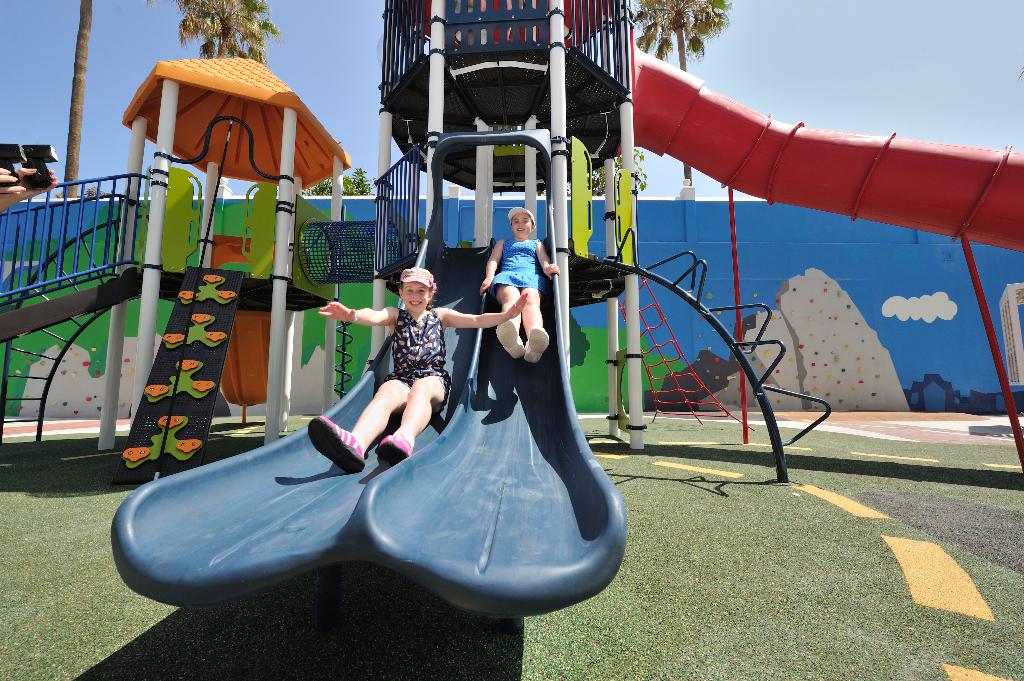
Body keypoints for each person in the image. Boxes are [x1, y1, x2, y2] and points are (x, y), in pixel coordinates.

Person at [309, 266, 528, 473]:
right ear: (402, 293)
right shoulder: (395, 315)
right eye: (410, 291)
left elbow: (476, 320)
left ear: (430, 294)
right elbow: (375, 317)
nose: (415, 296)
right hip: (402, 379)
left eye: (421, 291)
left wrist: (506, 316)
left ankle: (404, 438)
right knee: (387, 391)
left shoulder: (440, 316)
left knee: (421, 389)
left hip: (432, 381)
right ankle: (356, 444)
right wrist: (352, 315)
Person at [479, 207, 560, 363]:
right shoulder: (503, 243)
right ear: (511, 226)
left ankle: (534, 339)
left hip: (531, 278)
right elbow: (494, 260)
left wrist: (548, 268)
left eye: (525, 221)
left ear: (532, 225)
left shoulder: (537, 244)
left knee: (530, 299)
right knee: (511, 297)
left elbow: (544, 261)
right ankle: (511, 336)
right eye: (516, 221)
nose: (520, 224)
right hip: (507, 277)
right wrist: (489, 277)